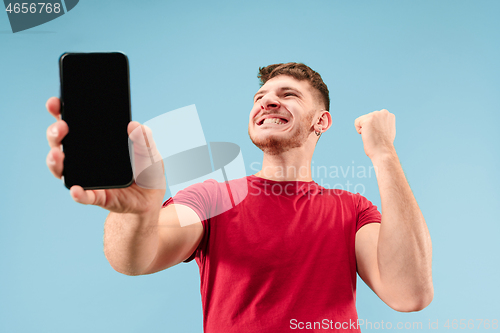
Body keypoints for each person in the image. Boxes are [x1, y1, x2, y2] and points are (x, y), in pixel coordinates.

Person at [46, 63, 433, 332]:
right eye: (260, 96)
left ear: (322, 121)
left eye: (288, 94)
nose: (266, 101)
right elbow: (133, 259)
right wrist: (139, 212)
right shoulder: (213, 196)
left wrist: (383, 152)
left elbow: (409, 293)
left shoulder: (352, 209)